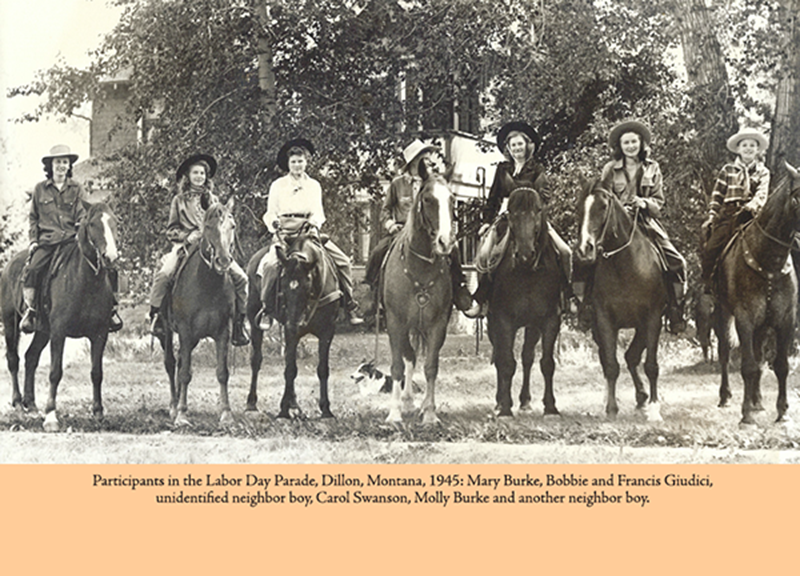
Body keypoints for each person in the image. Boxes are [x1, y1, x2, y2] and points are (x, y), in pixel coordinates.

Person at [574, 120, 687, 333]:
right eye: (626, 142)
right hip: (615, 224)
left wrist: (644, 203)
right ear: (620, 146)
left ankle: (674, 309)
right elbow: (602, 196)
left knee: (676, 261)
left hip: (645, 221)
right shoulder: (610, 168)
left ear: (641, 143)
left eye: (634, 141)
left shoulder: (652, 168)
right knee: (584, 258)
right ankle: (585, 306)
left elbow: (659, 201)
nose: (630, 146)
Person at [465, 121, 573, 318]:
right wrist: (487, 221)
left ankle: (566, 297)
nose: (517, 149)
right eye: (513, 145)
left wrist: (536, 211)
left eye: (520, 144)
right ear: (508, 148)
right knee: (484, 255)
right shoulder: (502, 169)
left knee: (565, 251)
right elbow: (493, 197)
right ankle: (482, 301)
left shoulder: (538, 169)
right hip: (506, 219)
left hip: (532, 220)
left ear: (527, 146)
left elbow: (545, 196)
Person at [257, 137, 364, 329]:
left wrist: (314, 223)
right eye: (294, 162)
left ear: (306, 162)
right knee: (270, 265)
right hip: (285, 232)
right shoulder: (278, 185)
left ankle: (349, 304)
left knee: (343, 261)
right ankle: (267, 309)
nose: (297, 165)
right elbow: (270, 211)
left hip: (308, 232)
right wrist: (274, 223)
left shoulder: (314, 185)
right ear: (288, 164)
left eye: (301, 161)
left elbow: (318, 211)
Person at [148, 153, 250, 346]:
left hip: (214, 247)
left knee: (242, 278)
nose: (199, 177)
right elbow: (171, 230)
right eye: (195, 173)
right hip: (185, 246)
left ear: (207, 176)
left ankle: (238, 325)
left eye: (202, 173)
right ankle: (157, 318)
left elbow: (223, 225)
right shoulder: (178, 200)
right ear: (188, 176)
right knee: (164, 274)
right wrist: (187, 236)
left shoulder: (214, 200)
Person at [21, 144, 123, 334]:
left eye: (65, 162)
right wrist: (34, 240)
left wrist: (80, 226)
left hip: (71, 240)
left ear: (69, 166)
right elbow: (34, 218)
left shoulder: (77, 188)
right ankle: (32, 311)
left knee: (108, 266)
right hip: (47, 241)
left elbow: (82, 212)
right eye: (58, 162)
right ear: (50, 166)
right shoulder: (40, 189)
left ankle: (111, 309)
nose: (61, 166)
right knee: (33, 268)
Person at [363, 139, 473, 314]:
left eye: (427, 156)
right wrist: (391, 225)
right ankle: (372, 292)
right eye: (423, 156)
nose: (427, 160)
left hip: (429, 232)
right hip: (400, 231)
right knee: (379, 250)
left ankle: (459, 289)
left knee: (454, 249)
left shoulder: (434, 182)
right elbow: (385, 210)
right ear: (414, 161)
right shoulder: (397, 184)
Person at [701, 128, 770, 291]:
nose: (748, 148)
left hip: (753, 216)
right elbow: (717, 195)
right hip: (730, 215)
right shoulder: (728, 170)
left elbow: (762, 194)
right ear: (738, 149)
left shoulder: (763, 172)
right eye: (744, 145)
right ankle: (708, 284)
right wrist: (712, 214)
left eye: (752, 145)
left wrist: (752, 205)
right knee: (711, 248)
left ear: (757, 149)